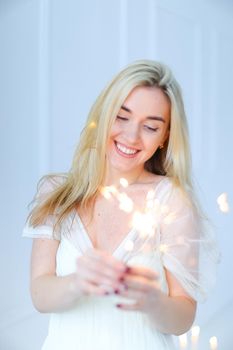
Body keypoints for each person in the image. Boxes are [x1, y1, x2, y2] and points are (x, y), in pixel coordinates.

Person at [23, 60, 218, 350]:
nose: (131, 136)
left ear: (165, 137)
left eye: (151, 127)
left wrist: (152, 302)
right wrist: (78, 282)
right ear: (103, 115)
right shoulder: (56, 193)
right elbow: (40, 295)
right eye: (121, 116)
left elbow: (183, 317)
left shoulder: (171, 200)